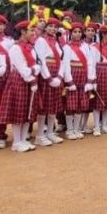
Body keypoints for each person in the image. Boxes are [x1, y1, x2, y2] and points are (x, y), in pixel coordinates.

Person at [0, 20, 39, 153]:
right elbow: (23, 68)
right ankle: (16, 142)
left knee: (28, 110)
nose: (33, 33)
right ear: (23, 32)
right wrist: (32, 77)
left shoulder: (31, 48)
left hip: (30, 80)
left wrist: (34, 72)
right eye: (31, 30)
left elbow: (36, 65)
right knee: (18, 111)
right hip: (19, 81)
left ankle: (23, 139)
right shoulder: (16, 48)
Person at [32, 18, 66, 146]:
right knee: (44, 107)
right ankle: (40, 135)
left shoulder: (56, 42)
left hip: (56, 75)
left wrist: (59, 76)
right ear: (45, 28)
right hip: (46, 76)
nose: (53, 29)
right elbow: (40, 60)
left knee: (53, 106)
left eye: (55, 27)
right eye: (50, 26)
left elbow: (61, 60)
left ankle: (50, 133)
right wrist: (49, 78)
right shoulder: (41, 41)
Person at [62, 22, 96, 140]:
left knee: (80, 105)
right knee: (70, 105)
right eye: (75, 32)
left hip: (83, 77)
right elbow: (65, 64)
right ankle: (69, 130)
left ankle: (76, 129)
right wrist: (69, 81)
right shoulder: (67, 47)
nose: (77, 34)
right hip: (72, 76)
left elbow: (90, 63)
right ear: (71, 33)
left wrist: (90, 80)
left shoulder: (85, 46)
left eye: (79, 32)